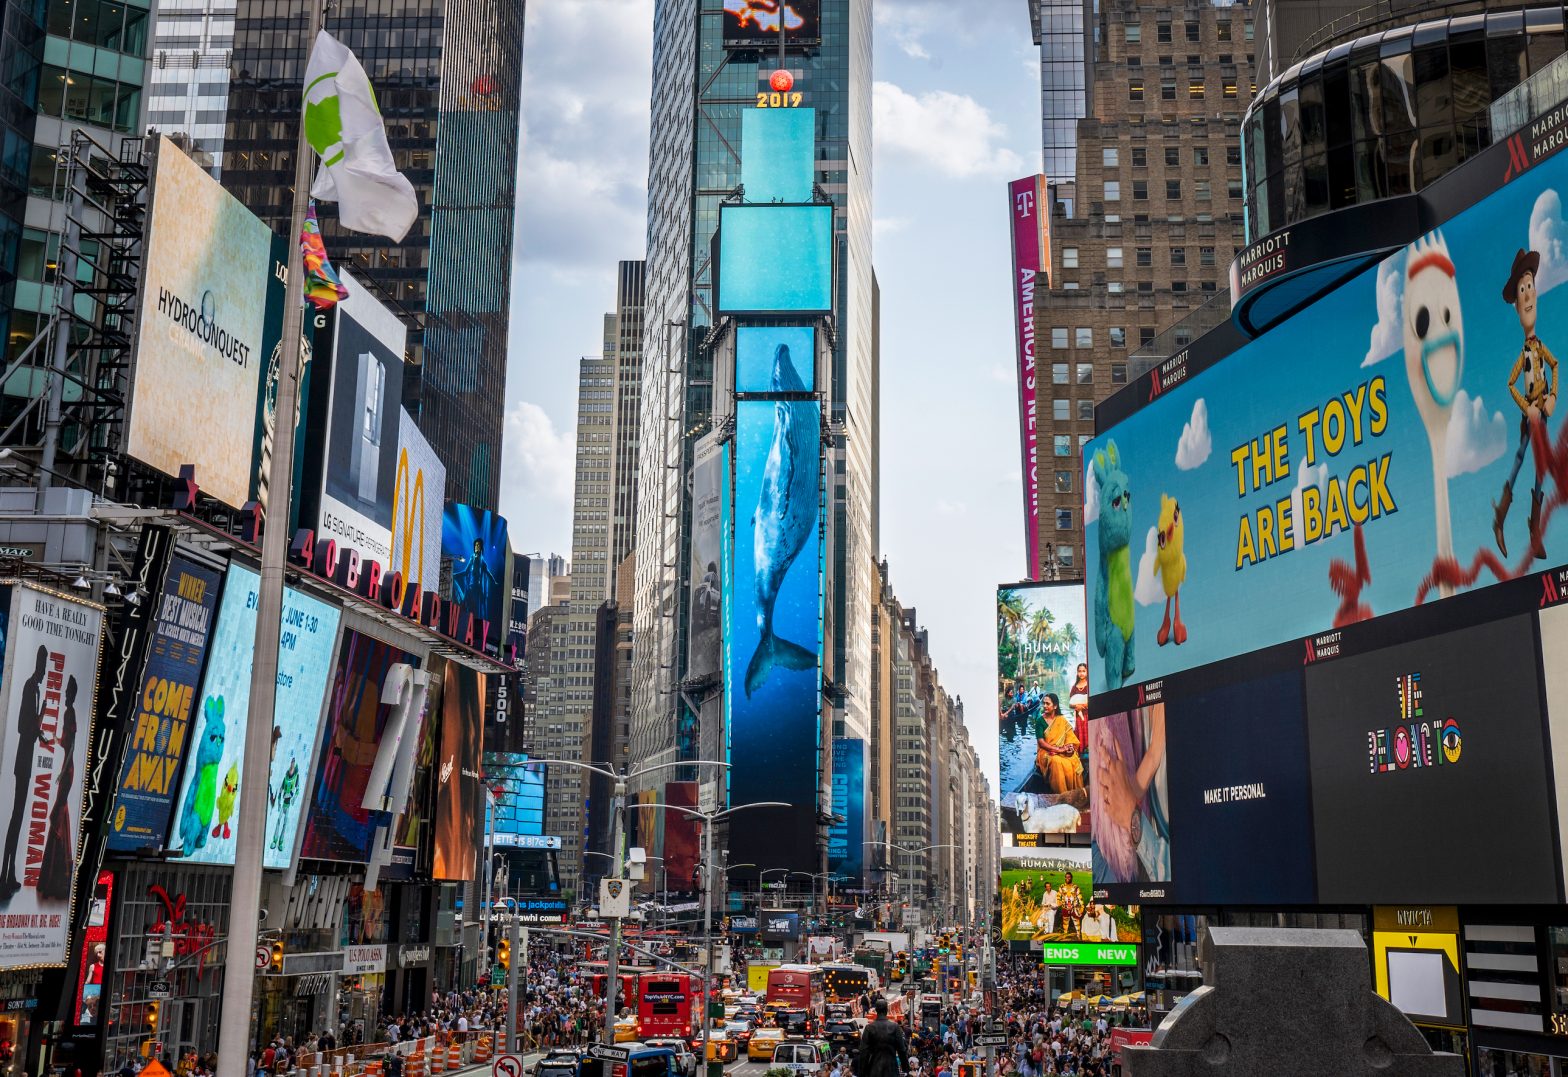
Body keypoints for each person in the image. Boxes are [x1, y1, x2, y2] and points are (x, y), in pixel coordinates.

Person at [0, 646, 50, 899]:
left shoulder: (36, 688)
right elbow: (22, 725)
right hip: (22, 759)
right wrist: (36, 725)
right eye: (43, 666)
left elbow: (30, 725)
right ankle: (4, 876)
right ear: (38, 664)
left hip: (28, 758)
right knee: (15, 819)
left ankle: (9, 875)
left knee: (18, 820)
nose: (44, 672)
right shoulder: (30, 687)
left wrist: (40, 731)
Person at [1033, 694, 1084, 794]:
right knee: (1057, 762)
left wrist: (1070, 748)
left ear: (1055, 706)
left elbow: (1070, 737)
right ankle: (1063, 795)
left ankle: (1075, 793)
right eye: (1044, 703)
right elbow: (1041, 743)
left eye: (1048, 703)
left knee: (1072, 759)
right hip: (1046, 752)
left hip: (1062, 750)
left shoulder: (1061, 720)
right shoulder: (1040, 721)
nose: (1044, 706)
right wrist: (1059, 750)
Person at [858, 998, 911, 1077]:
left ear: (876, 1010)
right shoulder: (895, 1027)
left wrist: (862, 1072)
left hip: (874, 1068)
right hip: (891, 1069)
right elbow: (902, 1050)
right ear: (887, 1010)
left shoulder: (869, 1028)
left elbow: (863, 1052)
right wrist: (906, 1069)